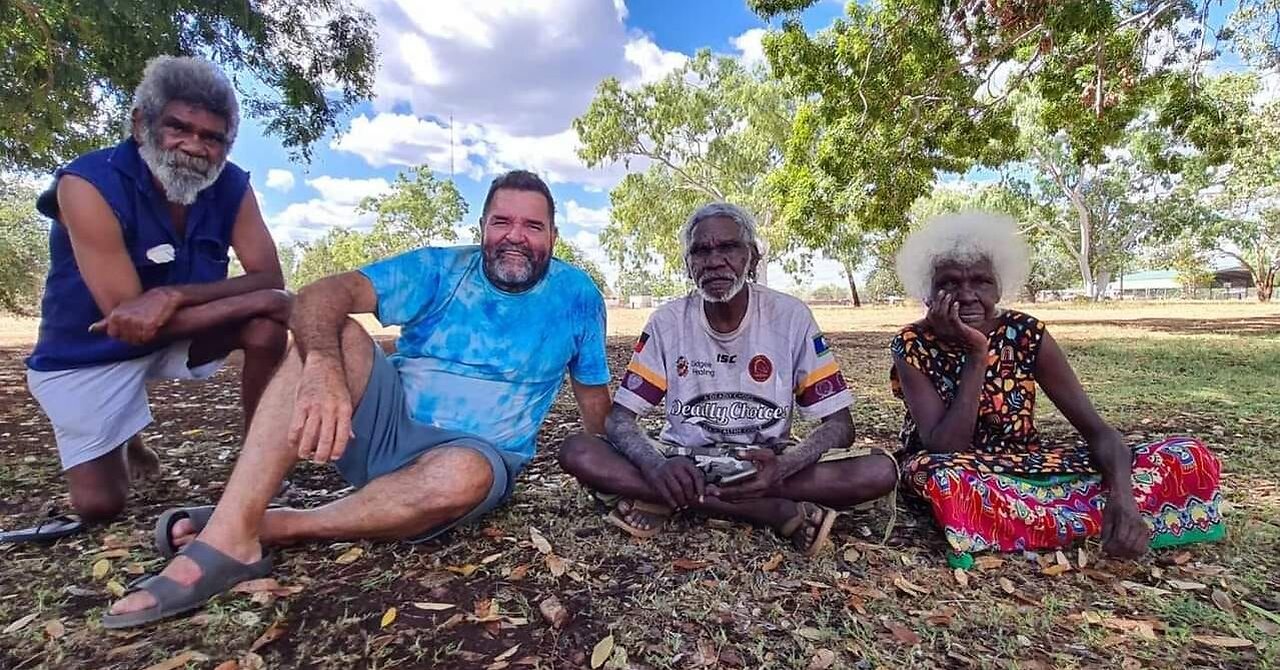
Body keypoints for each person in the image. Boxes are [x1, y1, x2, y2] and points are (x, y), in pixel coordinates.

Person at [102, 169, 612, 628]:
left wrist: (607, 465)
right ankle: (229, 535)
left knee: (464, 474)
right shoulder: (439, 268)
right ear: (482, 227)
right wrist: (322, 366)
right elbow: (323, 293)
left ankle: (274, 524)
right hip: (380, 427)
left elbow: (591, 392)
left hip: (473, 457)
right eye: (502, 222)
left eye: (532, 226)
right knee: (333, 331)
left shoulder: (578, 297)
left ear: (553, 236)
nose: (515, 237)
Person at [23, 56, 289, 527]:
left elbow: (268, 275)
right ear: (141, 123)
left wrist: (174, 295)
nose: (194, 147)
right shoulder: (87, 186)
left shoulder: (231, 186)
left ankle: (258, 461)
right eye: (178, 128)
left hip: (179, 331)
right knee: (100, 507)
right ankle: (124, 436)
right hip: (91, 351)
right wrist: (268, 300)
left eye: (212, 138)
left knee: (266, 329)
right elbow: (130, 322)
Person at [559, 203, 897, 556]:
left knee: (877, 472)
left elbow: (841, 425)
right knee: (578, 450)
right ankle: (769, 510)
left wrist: (785, 465)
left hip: (764, 463)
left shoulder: (791, 317)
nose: (714, 260)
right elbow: (620, 419)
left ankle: (665, 499)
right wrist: (656, 466)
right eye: (701, 250)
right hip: (682, 460)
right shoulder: (667, 322)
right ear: (688, 265)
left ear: (752, 257)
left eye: (729, 247)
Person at [889, 212, 1224, 569]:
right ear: (928, 292)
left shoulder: (1027, 333)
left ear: (1000, 287)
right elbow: (944, 446)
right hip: (956, 470)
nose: (967, 295)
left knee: (1185, 454)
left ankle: (1063, 520)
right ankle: (1075, 518)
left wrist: (1125, 499)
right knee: (946, 479)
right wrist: (976, 354)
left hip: (1026, 467)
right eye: (950, 283)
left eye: (982, 281)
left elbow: (1097, 430)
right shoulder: (911, 343)